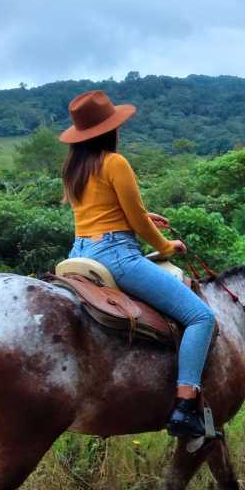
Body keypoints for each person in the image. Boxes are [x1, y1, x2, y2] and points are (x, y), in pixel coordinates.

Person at [59, 89, 216, 438]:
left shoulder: (74, 168)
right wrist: (167, 245)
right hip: (117, 256)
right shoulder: (115, 163)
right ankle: (185, 404)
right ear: (109, 130)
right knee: (201, 316)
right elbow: (136, 221)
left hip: (79, 254)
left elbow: (107, 212)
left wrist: (145, 215)